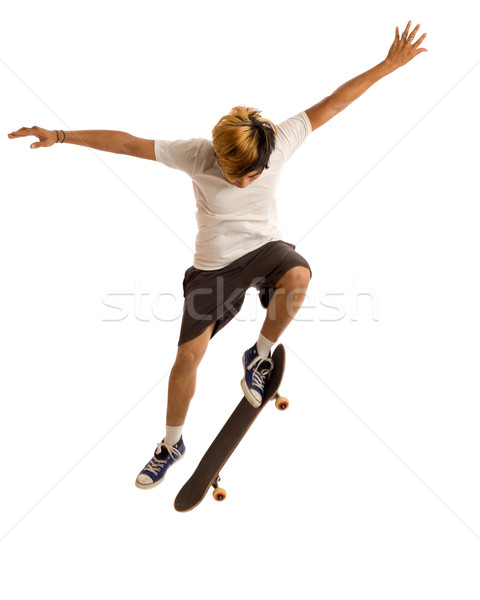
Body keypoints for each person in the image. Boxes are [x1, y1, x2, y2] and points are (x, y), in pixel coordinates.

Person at [8, 21, 427, 490]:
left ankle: (260, 354)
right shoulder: (196, 154)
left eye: (254, 175)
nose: (246, 182)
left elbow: (334, 103)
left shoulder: (280, 140)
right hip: (212, 268)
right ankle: (170, 446)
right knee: (187, 359)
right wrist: (61, 136)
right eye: (236, 175)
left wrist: (389, 66)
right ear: (218, 158)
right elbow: (127, 143)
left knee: (299, 275)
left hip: (265, 251)